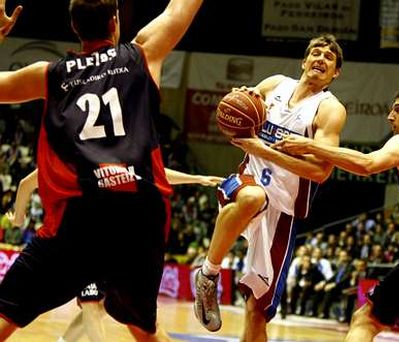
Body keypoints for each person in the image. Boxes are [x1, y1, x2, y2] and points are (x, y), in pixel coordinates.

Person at [0, 0, 203, 340]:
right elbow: (179, 8)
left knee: (6, 315)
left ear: (73, 26)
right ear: (114, 21)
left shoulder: (49, 75)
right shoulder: (142, 55)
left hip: (78, 216)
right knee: (143, 330)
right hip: (139, 215)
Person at [274, 86, 399, 341]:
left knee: (366, 319)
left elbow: (368, 164)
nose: (390, 117)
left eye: (397, 109)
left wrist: (312, 147)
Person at [194, 34, 347, 341]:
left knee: (257, 312)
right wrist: (239, 100)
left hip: (284, 212)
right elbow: (237, 112)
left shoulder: (329, 110)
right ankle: (208, 275)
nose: (320, 59)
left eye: (329, 58)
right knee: (253, 197)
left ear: (335, 74)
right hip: (247, 182)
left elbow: (320, 173)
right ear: (303, 62)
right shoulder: (275, 84)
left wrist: (265, 150)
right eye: (315, 53)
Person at [5, 168, 222, 342]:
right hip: (90, 245)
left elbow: (155, 174)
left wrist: (18, 218)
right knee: (96, 306)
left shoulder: (95, 156)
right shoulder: (94, 156)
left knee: (103, 310)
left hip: (102, 246)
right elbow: (27, 182)